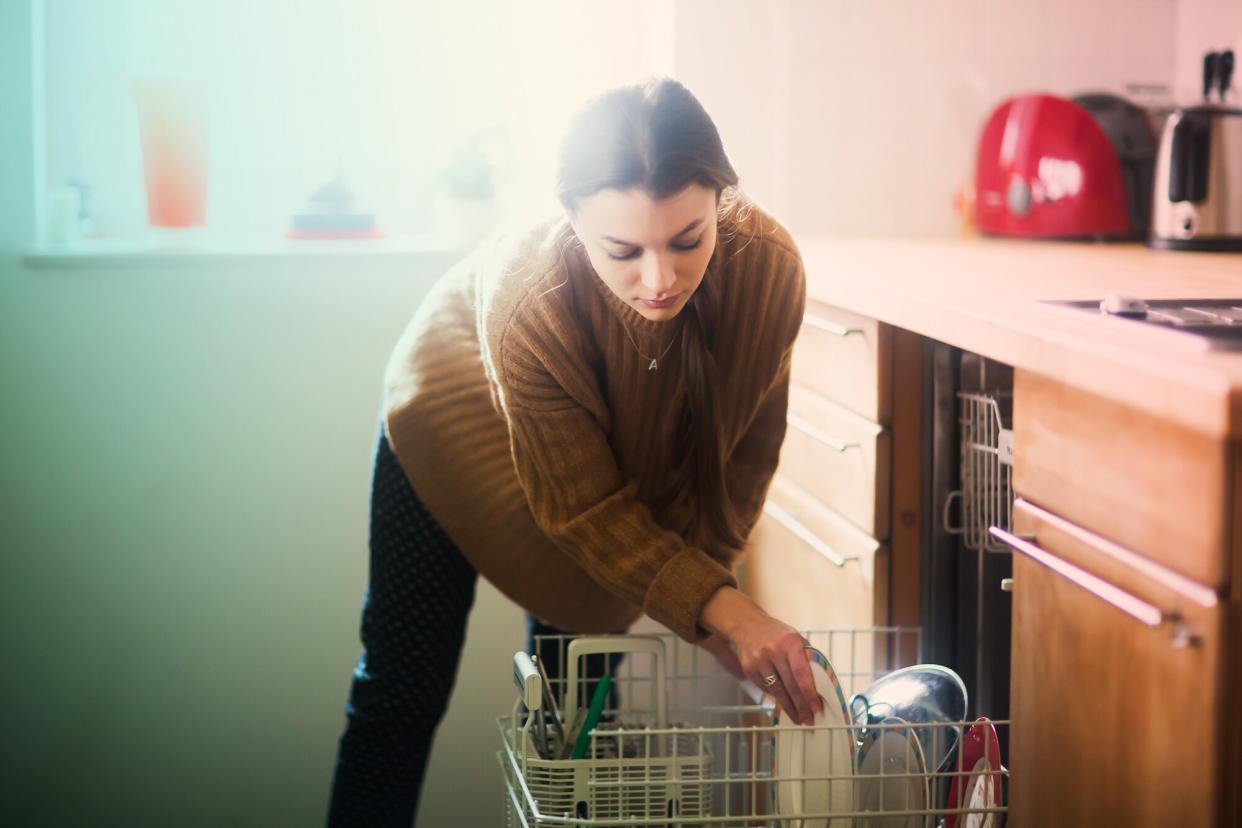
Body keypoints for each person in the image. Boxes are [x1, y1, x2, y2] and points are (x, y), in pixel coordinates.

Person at [326, 77, 821, 827]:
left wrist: (717, 606)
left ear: (722, 198)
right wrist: (727, 611)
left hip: (607, 463)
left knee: (578, 706)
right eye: (623, 249)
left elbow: (745, 450)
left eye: (689, 239)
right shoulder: (530, 298)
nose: (660, 280)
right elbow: (583, 508)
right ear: (571, 219)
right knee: (403, 687)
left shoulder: (768, 268)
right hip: (454, 429)